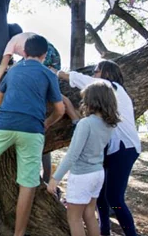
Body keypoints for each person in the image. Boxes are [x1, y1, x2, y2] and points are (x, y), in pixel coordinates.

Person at [0, 34, 65, 236]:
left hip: (5, 123)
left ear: (24, 52)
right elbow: (60, 109)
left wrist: (0, 116)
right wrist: (46, 122)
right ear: (44, 55)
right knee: (27, 183)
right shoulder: (49, 74)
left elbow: (0, 95)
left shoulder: (13, 70)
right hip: (33, 129)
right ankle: (18, 234)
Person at [54, 60, 141, 236]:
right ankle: (104, 231)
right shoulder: (111, 105)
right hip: (113, 149)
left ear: (106, 73)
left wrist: (58, 74)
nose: (93, 74)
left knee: (115, 198)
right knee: (100, 196)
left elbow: (82, 80)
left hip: (124, 149)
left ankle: (131, 233)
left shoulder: (110, 86)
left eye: (96, 71)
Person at [47, 82, 120, 236]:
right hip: (97, 173)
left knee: (74, 218)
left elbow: (73, 154)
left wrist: (55, 178)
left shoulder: (85, 124)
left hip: (82, 175)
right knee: (89, 214)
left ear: (93, 101)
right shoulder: (109, 124)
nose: (83, 102)